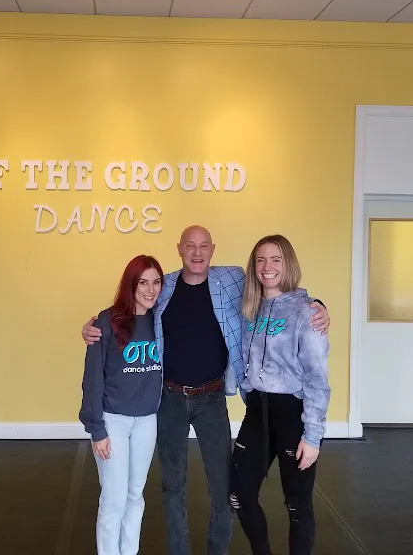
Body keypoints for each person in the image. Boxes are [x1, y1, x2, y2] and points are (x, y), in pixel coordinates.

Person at [82, 226, 330, 555]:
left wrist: (317, 305)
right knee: (172, 486)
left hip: (212, 398)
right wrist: (96, 325)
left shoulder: (233, 279)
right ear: (179, 249)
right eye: (189, 246)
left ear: (213, 249)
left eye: (203, 246)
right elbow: (133, 305)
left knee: (223, 487)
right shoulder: (164, 286)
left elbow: (276, 289)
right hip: (169, 399)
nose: (197, 253)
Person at [228, 234, 330, 555]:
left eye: (276, 259)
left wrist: (312, 436)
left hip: (292, 417)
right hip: (257, 413)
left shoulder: (307, 314)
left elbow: (317, 379)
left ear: (288, 264)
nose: (267, 266)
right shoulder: (250, 309)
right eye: (260, 260)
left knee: (297, 504)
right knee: (239, 494)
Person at [79, 254, 166, 555]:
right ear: (131, 284)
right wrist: (96, 428)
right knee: (114, 499)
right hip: (112, 420)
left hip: (147, 420)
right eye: (143, 282)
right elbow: (92, 379)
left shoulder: (160, 321)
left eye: (156, 282)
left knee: (135, 496)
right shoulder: (106, 322)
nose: (150, 290)